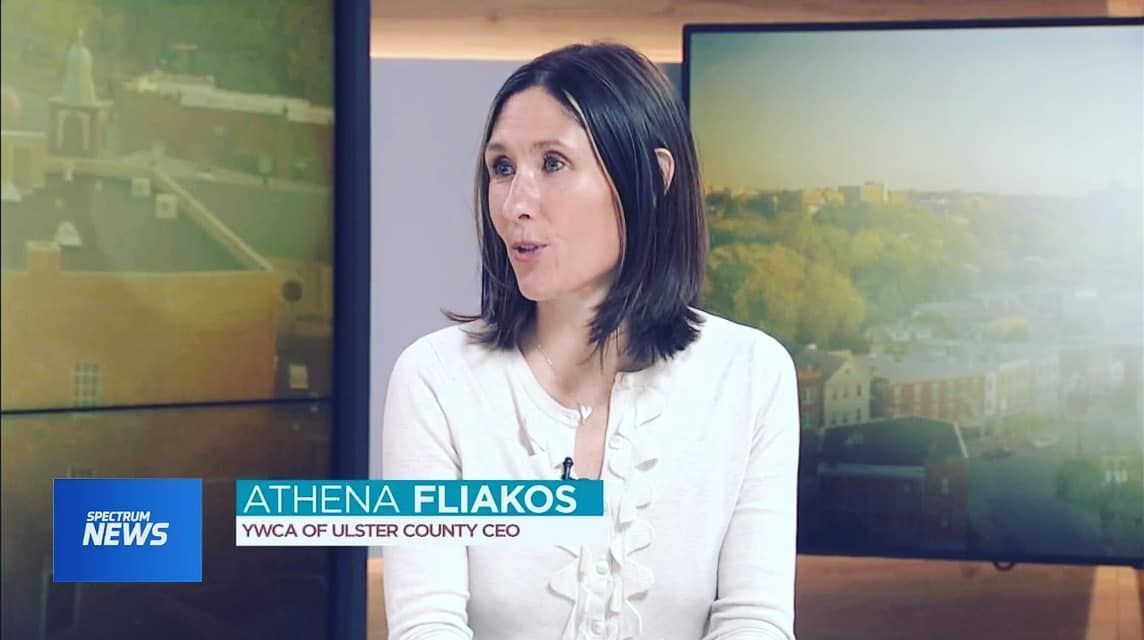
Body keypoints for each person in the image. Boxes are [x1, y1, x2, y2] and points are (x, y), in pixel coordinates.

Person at [381, 41, 799, 640]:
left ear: (650, 180)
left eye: (553, 163)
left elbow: (752, 620)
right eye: (502, 168)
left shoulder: (752, 374)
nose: (515, 204)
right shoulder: (435, 380)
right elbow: (427, 625)